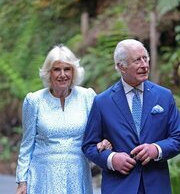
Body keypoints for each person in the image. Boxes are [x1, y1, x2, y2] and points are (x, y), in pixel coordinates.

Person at [82, 39, 180, 194]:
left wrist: (156, 149)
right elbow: (89, 145)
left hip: (156, 186)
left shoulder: (164, 96)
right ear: (121, 67)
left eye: (145, 58)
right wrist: (111, 159)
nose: (144, 65)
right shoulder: (102, 102)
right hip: (119, 187)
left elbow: (179, 138)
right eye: (137, 60)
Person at [16, 44, 111, 194]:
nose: (62, 74)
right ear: (49, 73)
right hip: (43, 176)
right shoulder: (34, 100)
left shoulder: (87, 97)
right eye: (57, 69)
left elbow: (99, 133)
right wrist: (22, 182)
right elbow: (27, 144)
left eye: (67, 69)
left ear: (74, 72)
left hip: (77, 175)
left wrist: (105, 140)